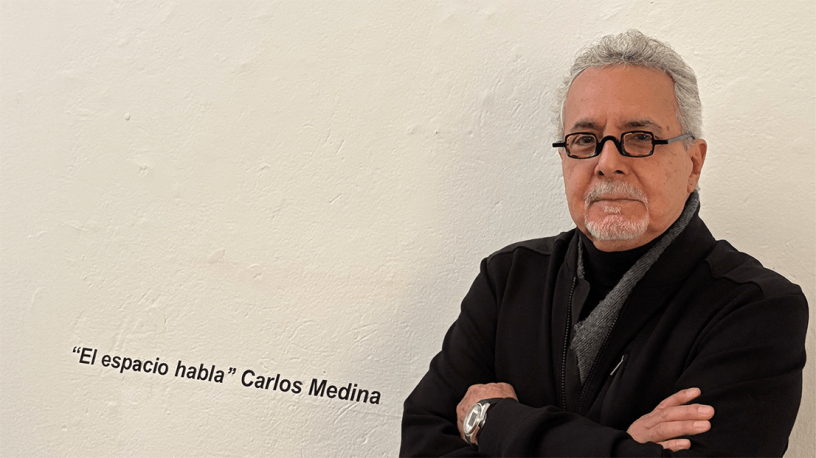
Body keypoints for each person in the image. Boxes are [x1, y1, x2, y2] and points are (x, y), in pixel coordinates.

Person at [400, 30, 808, 457]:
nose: (608, 163)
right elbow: (422, 446)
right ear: (564, 158)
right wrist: (623, 445)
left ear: (693, 162)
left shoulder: (754, 309)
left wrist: (494, 420)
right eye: (584, 140)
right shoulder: (508, 280)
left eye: (640, 137)